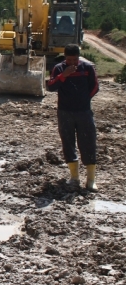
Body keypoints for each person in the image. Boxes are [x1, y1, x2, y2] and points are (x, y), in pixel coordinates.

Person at [47, 44, 99, 191]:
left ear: (79, 57)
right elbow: (50, 86)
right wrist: (63, 76)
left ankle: (91, 180)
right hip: (65, 112)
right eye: (69, 60)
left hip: (84, 112)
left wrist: (84, 100)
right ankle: (74, 178)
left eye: (75, 60)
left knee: (88, 142)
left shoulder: (87, 68)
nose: (72, 63)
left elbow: (95, 87)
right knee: (68, 142)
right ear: (65, 58)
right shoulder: (58, 69)